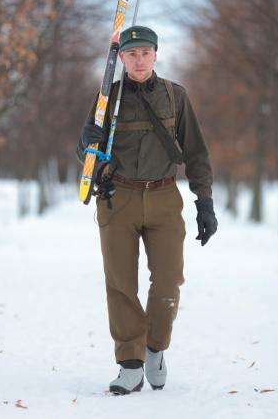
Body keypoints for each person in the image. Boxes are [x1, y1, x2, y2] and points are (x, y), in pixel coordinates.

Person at [77, 25, 217, 395]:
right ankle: (130, 363)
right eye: (131, 54)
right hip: (117, 198)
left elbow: (197, 154)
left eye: (145, 53)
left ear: (156, 54)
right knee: (121, 284)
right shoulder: (108, 98)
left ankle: (155, 348)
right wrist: (84, 142)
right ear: (121, 58)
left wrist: (205, 202)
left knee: (169, 280)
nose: (139, 60)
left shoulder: (176, 96)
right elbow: (89, 155)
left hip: (163, 198)